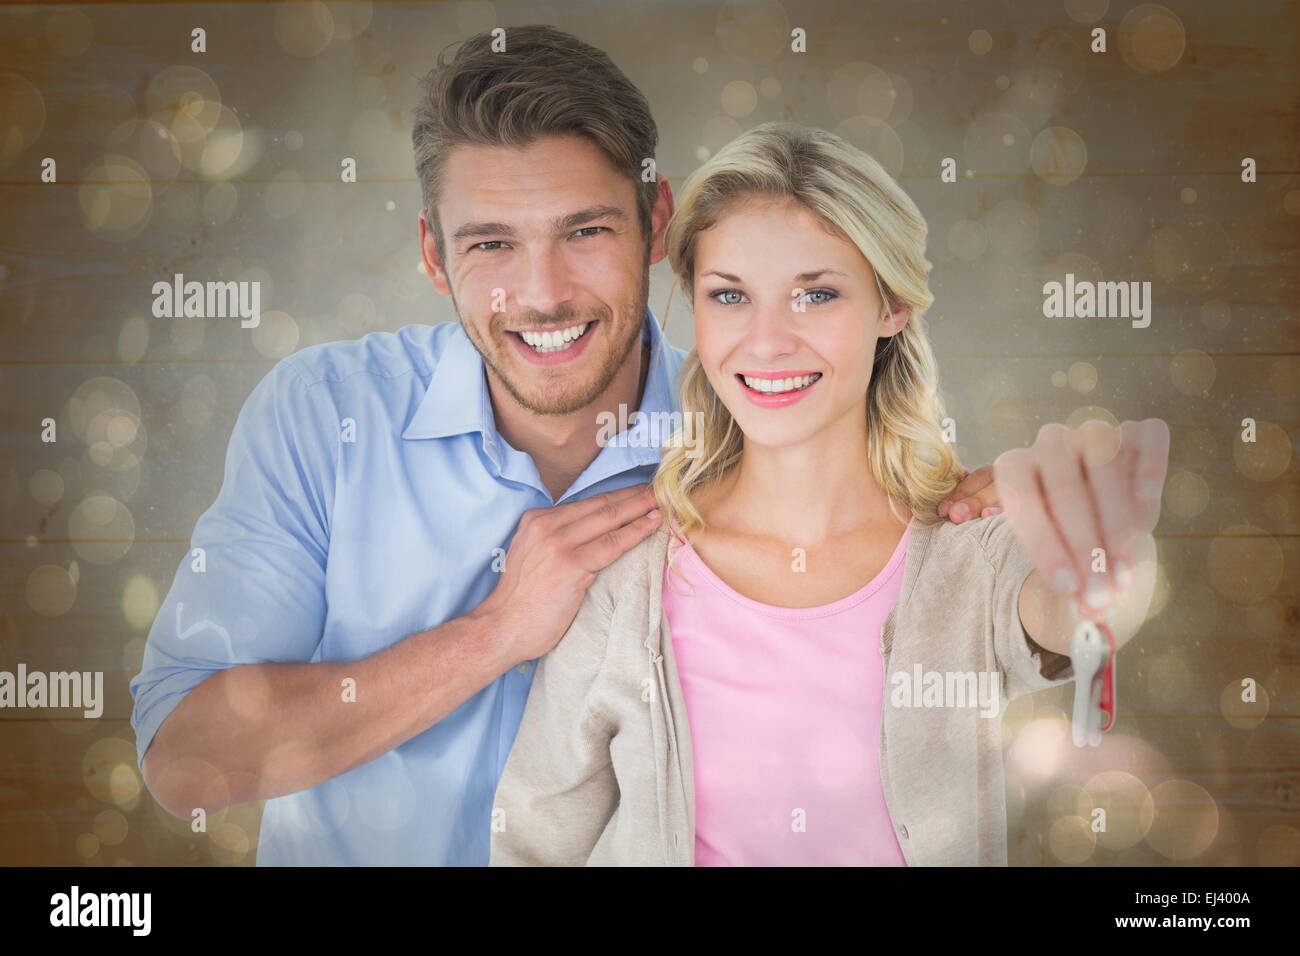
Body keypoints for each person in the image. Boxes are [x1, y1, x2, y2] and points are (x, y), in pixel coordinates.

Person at [128, 27, 1001, 865]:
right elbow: (187, 761)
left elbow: (907, 568)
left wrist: (982, 517)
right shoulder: (323, 414)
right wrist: (496, 632)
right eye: (492, 244)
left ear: (657, 222)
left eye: (585, 232)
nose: (542, 294)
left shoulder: (765, 415)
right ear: (434, 254)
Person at [489, 122, 1169, 866]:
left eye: (815, 294)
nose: (769, 340)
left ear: (892, 307)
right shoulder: (628, 576)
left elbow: (1072, 619)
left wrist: (1105, 554)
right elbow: (534, 833)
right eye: (730, 296)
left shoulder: (968, 548)